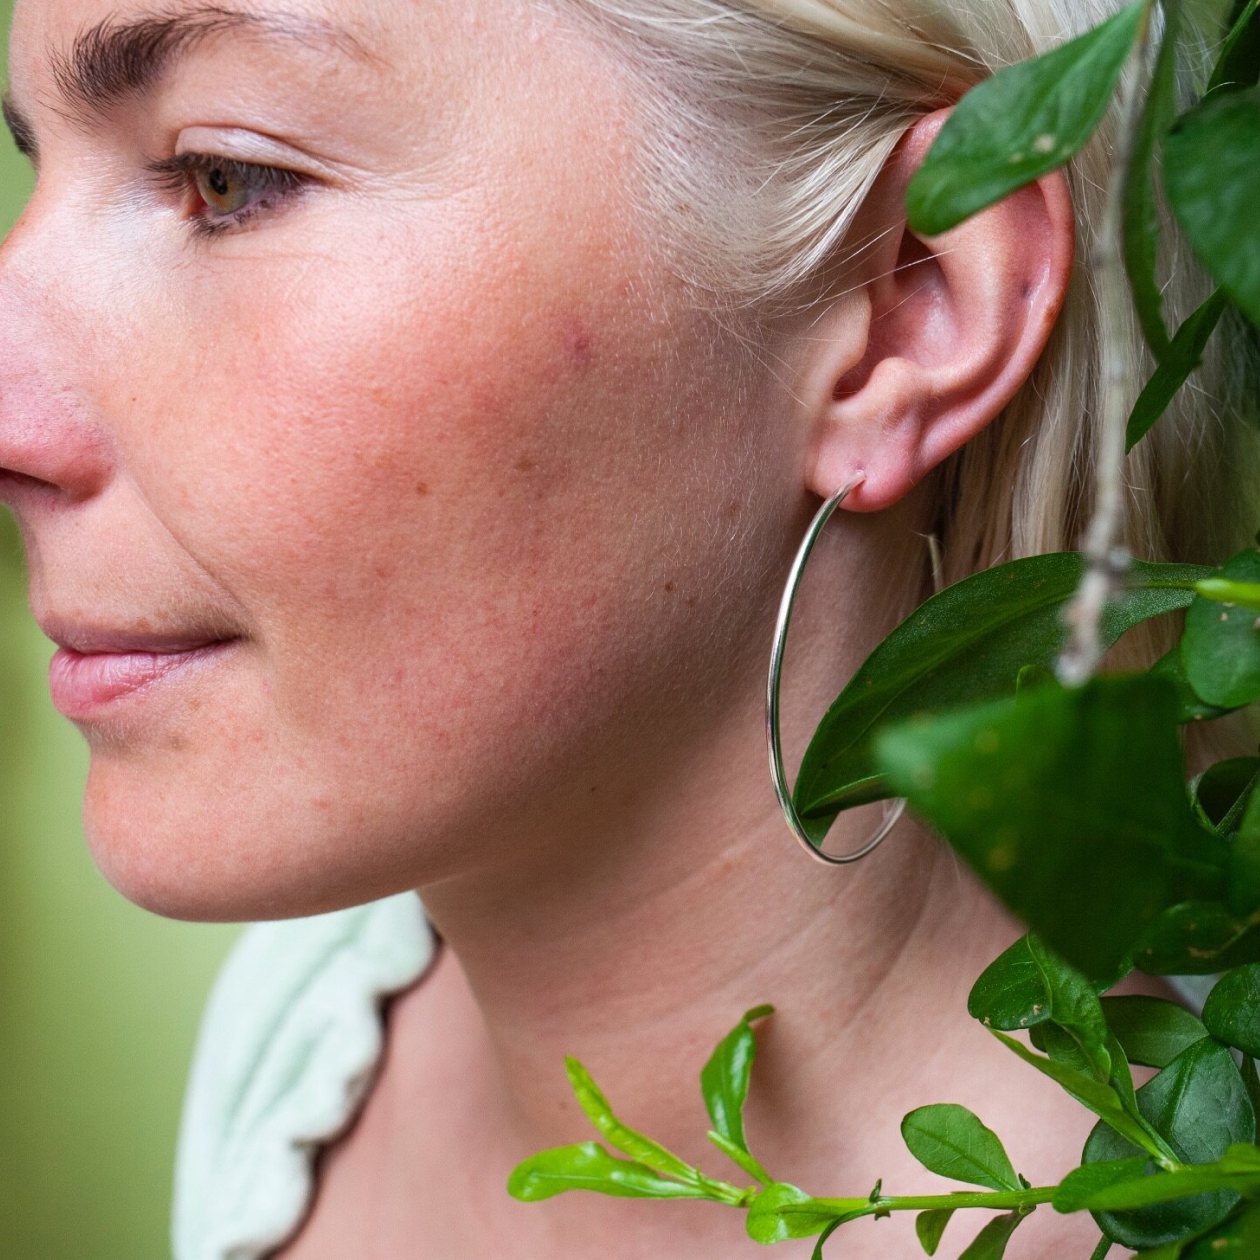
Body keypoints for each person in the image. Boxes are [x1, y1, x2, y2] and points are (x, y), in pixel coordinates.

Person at [2, 0, 1256, 1256]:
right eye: (36, 165)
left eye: (227, 180)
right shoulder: (310, 1029)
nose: (16, 423)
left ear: (906, 309)